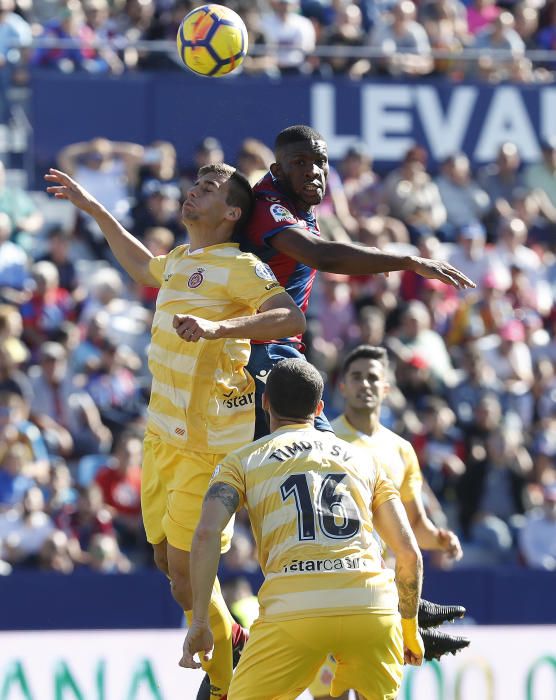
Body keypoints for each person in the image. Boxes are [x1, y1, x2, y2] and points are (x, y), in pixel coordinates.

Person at [45, 163, 305, 700]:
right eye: (195, 184)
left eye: (208, 189)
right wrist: (94, 207)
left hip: (210, 442)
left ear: (232, 212)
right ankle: (231, 637)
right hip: (161, 434)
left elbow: (289, 320)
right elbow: (145, 267)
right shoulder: (184, 259)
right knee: (168, 563)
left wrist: (221, 327)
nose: (193, 191)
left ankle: (230, 678)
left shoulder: (239, 266)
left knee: (189, 576)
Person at [181, 358, 425, 700]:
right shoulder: (365, 461)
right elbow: (409, 553)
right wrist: (408, 626)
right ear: (320, 408)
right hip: (370, 607)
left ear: (265, 403)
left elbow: (206, 535)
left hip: (293, 612)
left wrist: (201, 622)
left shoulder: (242, 461)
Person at [242, 124, 475, 438]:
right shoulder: (270, 206)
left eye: (320, 162)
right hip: (259, 350)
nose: (313, 171)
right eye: (299, 163)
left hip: (276, 348)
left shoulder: (297, 200)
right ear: (277, 170)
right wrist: (408, 261)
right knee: (317, 459)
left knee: (312, 461)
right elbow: (320, 255)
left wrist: (372, 255)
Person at [309, 344, 467, 699]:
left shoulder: (400, 449)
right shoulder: (321, 440)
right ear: (343, 387)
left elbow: (414, 526)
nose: (364, 384)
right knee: (326, 695)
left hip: (380, 598)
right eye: (356, 377)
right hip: (329, 590)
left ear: (386, 389)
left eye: (372, 377)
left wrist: (439, 538)